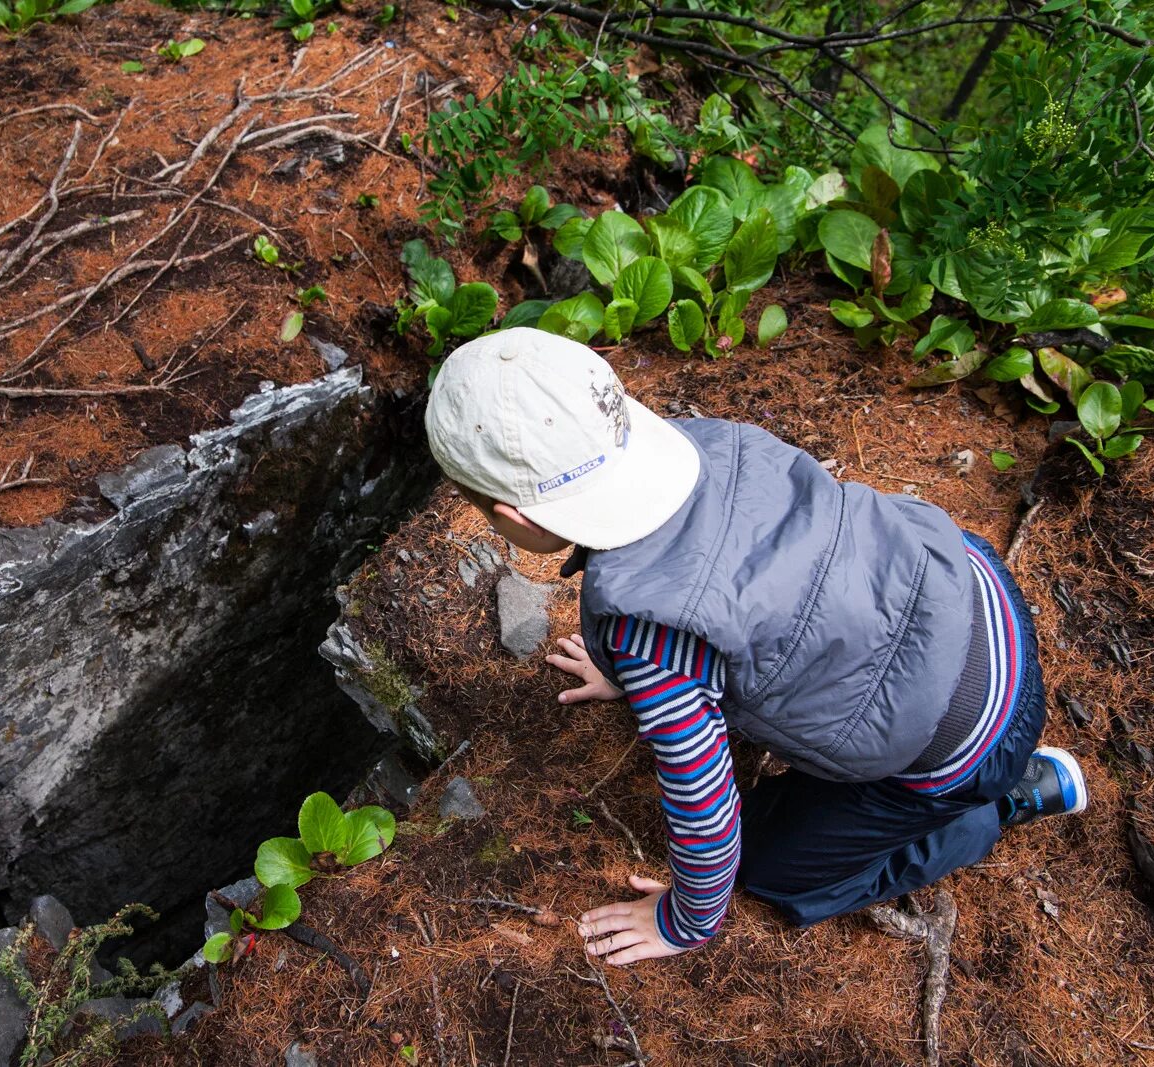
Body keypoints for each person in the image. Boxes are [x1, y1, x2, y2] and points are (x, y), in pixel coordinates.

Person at [424, 328, 1089, 966]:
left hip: (966, 744)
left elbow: (705, 808)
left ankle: (992, 809)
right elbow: (732, 575)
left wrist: (685, 920)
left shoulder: (649, 641)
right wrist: (634, 672)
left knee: (771, 866)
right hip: (975, 596)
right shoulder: (709, 444)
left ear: (516, 518)